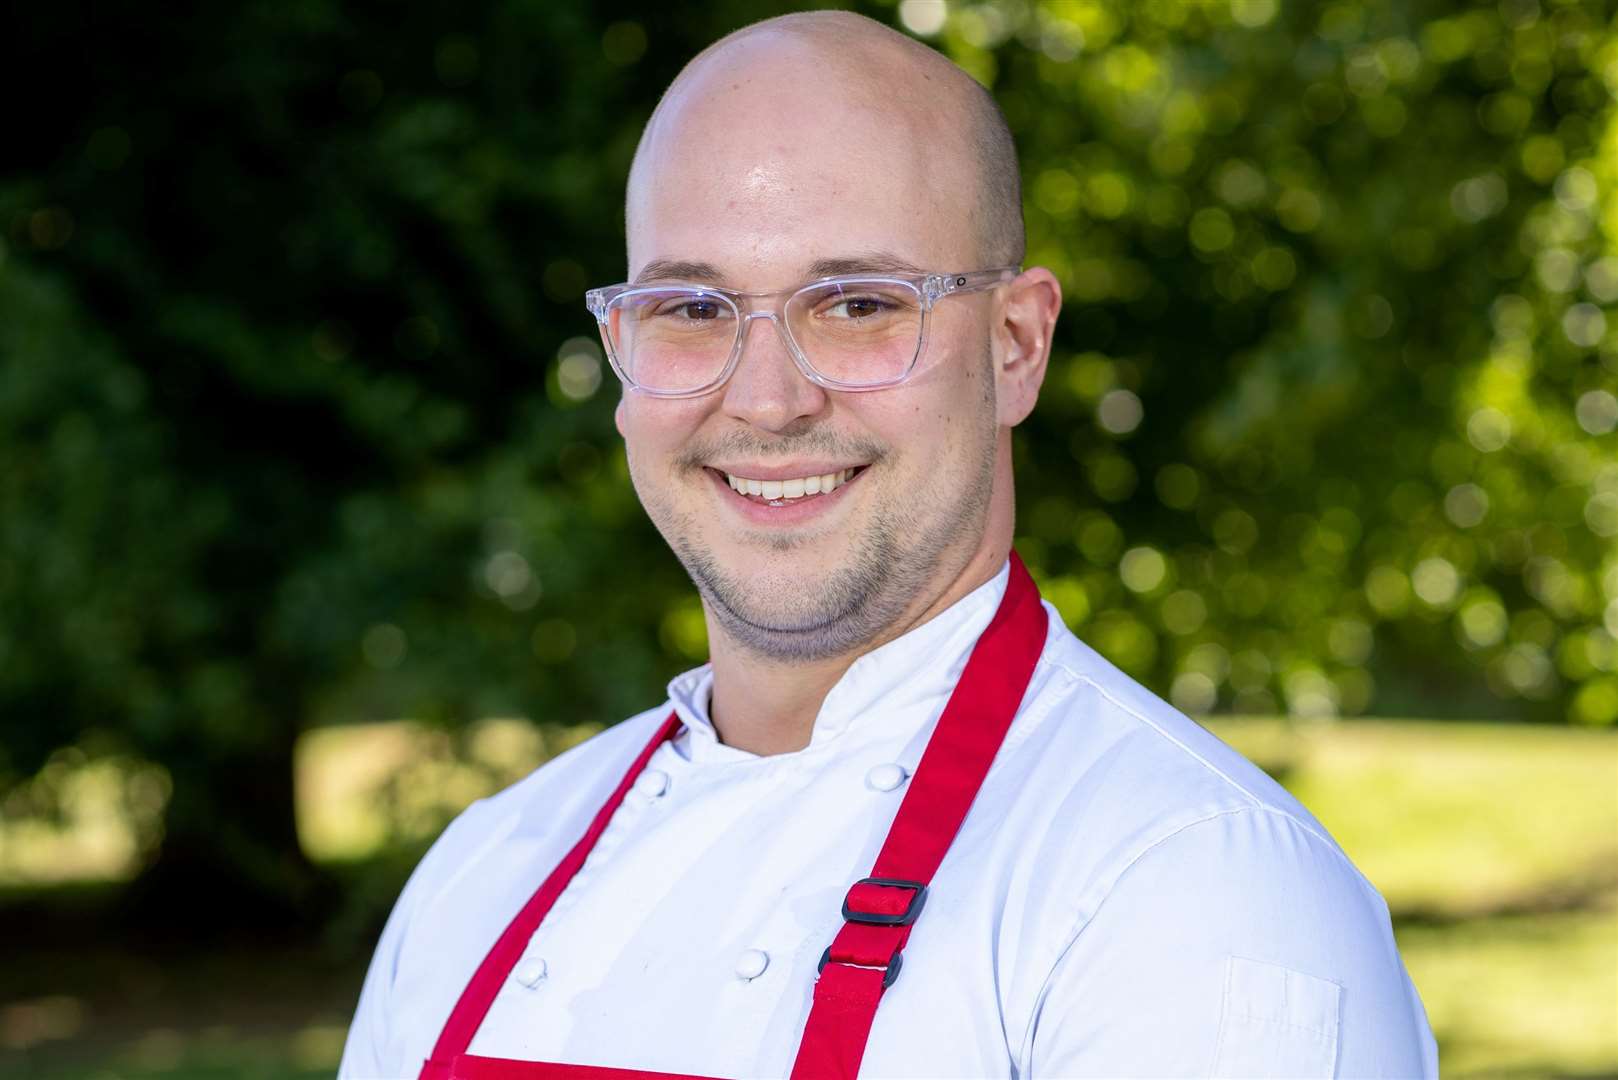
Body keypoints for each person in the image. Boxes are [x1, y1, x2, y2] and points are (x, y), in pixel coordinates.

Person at [339, 11, 1437, 1079]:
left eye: (857, 303)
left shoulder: (1193, 892)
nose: (765, 401)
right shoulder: (481, 875)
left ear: (1014, 347)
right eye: (690, 308)